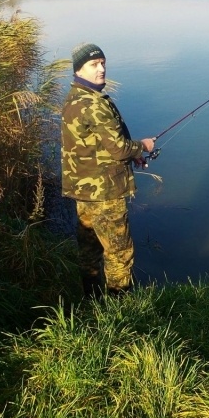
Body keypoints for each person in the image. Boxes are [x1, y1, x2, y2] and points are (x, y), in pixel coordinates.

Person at [60, 43, 154, 298]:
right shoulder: (94, 103)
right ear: (79, 69)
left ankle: (91, 301)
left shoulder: (74, 98)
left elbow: (95, 145)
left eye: (103, 63)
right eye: (94, 64)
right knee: (119, 253)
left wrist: (132, 155)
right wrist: (141, 146)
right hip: (105, 193)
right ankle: (119, 308)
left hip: (84, 190)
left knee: (89, 250)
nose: (101, 69)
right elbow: (120, 149)